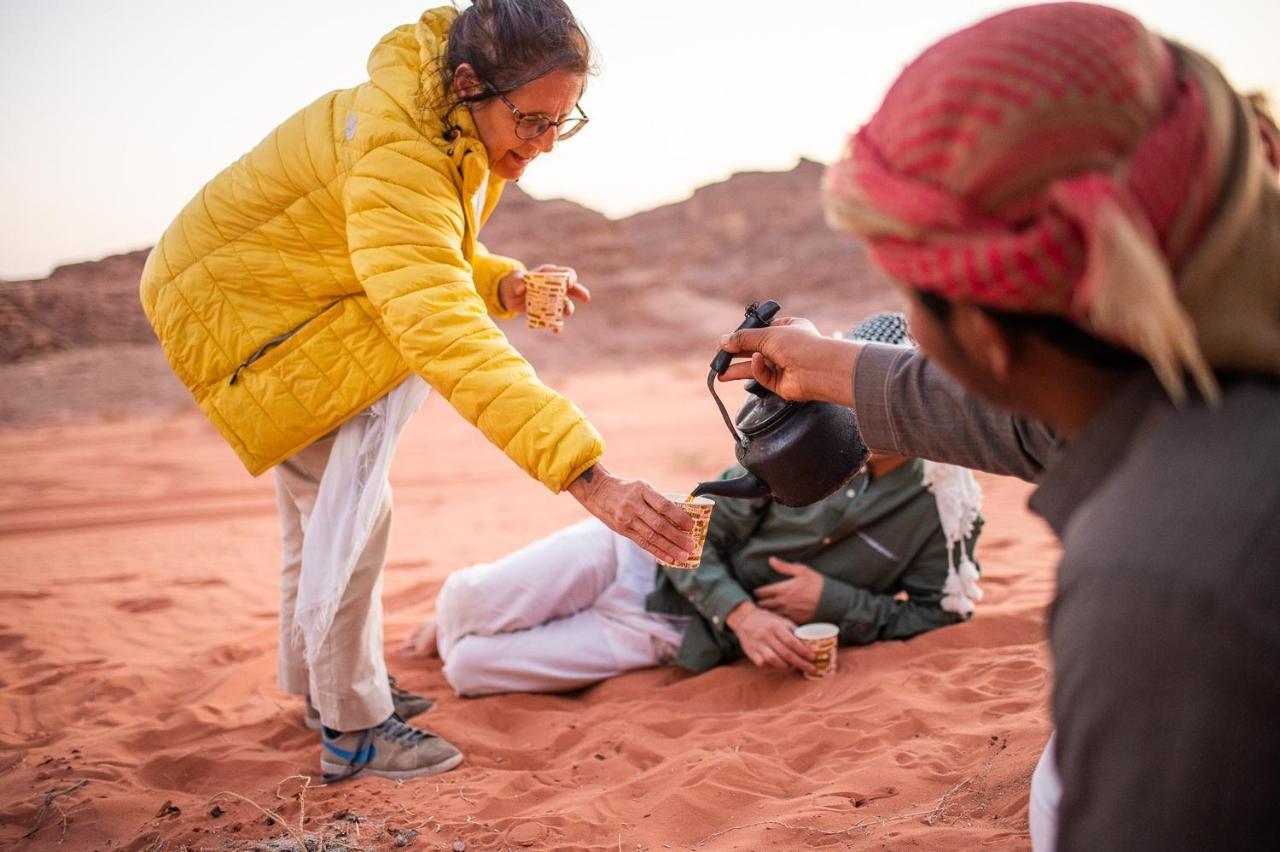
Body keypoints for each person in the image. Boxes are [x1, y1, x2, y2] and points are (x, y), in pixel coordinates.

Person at [714, 4, 1280, 850]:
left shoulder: (1167, 586)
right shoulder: (1200, 388)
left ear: (984, 334)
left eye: (915, 298)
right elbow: (1024, 422)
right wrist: (824, 364)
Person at [137, 0, 695, 783]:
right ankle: (354, 730)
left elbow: (420, 250)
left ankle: (323, 691)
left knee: (321, 513)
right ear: (470, 82)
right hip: (257, 320)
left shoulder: (439, 125)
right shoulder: (400, 147)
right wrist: (587, 478)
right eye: (531, 120)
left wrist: (504, 284)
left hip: (282, 303)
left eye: (561, 125)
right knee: (352, 515)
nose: (541, 146)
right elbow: (438, 325)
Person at [401, 314, 984, 694]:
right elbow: (691, 532)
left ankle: (465, 628)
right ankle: (457, 616)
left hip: (673, 635)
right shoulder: (806, 437)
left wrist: (836, 601)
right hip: (632, 557)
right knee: (465, 605)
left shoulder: (946, 505)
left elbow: (943, 614)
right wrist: (745, 614)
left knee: (469, 671)